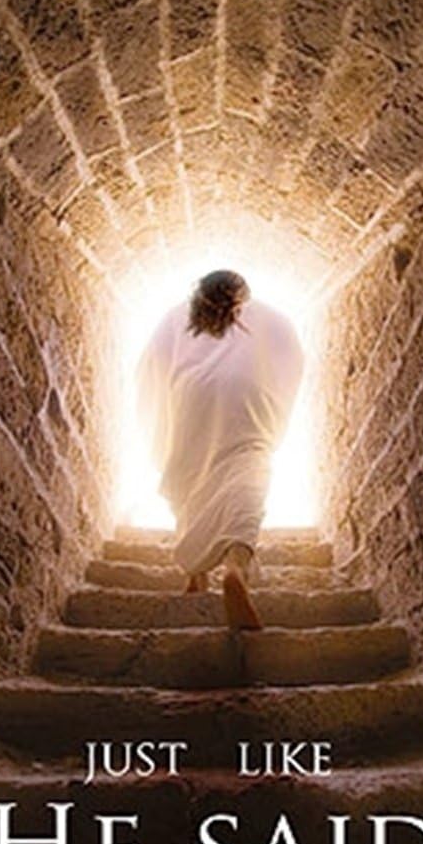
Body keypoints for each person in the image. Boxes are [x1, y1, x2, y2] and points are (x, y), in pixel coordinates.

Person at [137, 270, 303, 630]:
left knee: (189, 481)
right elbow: (291, 355)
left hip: (190, 399)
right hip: (246, 402)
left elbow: (151, 365)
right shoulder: (261, 315)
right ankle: (234, 570)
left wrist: (165, 414)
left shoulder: (178, 317)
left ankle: (196, 577)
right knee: (249, 480)